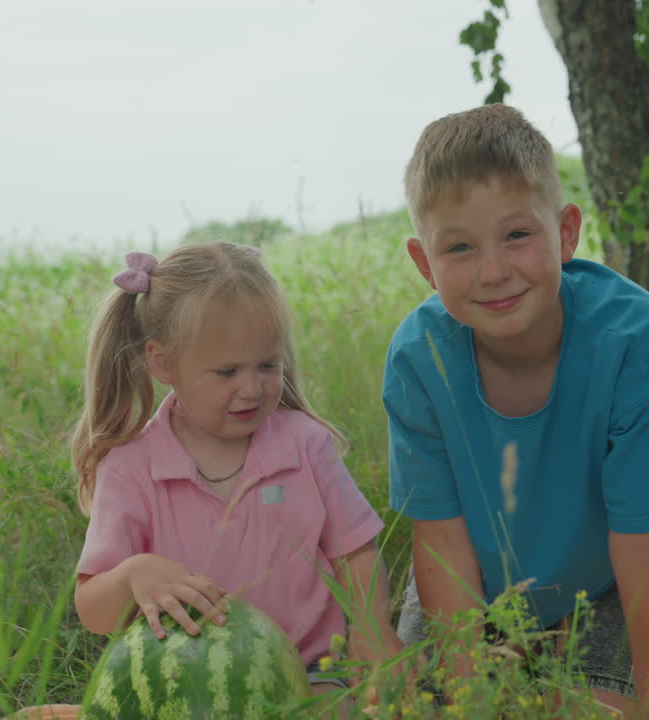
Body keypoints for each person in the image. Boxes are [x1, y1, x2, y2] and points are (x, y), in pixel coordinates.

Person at [383, 104, 649, 719]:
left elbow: (646, 543)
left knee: (594, 713)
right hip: (468, 586)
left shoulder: (635, 341)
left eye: (517, 235)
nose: (494, 271)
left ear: (565, 232)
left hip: (596, 588)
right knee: (419, 712)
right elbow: (442, 543)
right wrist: (468, 696)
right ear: (425, 265)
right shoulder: (417, 358)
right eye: (459, 247)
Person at [70, 242, 403, 710]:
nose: (253, 388)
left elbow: (357, 553)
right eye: (226, 371)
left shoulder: (305, 444)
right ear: (162, 362)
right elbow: (94, 610)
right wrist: (132, 576)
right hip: (181, 689)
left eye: (268, 365)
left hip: (312, 672)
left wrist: (374, 628)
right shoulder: (130, 468)